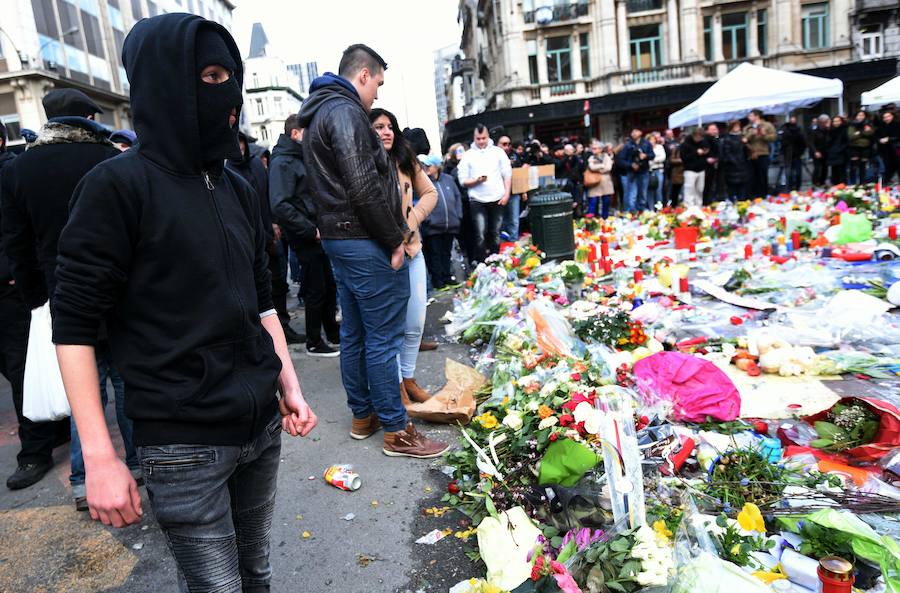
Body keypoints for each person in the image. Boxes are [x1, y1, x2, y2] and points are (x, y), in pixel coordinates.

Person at [52, 15, 316, 592]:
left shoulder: (237, 186)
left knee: (257, 575)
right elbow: (72, 326)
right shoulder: (115, 187)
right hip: (182, 443)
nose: (225, 93)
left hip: (260, 427)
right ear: (166, 82)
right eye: (210, 75)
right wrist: (99, 458)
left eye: (230, 76)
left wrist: (288, 383)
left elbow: (262, 301)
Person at [299, 43, 447, 458]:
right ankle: (397, 431)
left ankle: (365, 416)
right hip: (362, 239)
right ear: (363, 74)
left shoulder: (322, 112)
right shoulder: (345, 112)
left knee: (357, 333)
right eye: (377, 82)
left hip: (341, 238)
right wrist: (393, 239)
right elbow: (363, 187)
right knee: (381, 337)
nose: (377, 93)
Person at [0, 89, 132, 503]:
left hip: (61, 293)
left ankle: (83, 477)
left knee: (83, 392)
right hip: (118, 289)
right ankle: (144, 463)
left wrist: (35, 297)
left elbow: (16, 242)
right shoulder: (109, 159)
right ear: (89, 116)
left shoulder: (21, 169)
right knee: (128, 382)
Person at [0, 122, 71, 491]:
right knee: (15, 370)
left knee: (22, 369)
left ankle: (34, 452)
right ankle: (54, 425)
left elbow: (19, 233)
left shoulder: (10, 173)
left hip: (11, 293)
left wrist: (23, 281)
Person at [371, 108, 438, 405]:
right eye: (378, 127)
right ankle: (396, 385)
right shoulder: (361, 163)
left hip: (412, 251)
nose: (386, 131)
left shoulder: (405, 159)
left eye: (390, 127)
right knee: (390, 329)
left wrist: (411, 221)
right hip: (380, 257)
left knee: (414, 323)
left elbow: (431, 193)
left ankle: (408, 378)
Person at [268, 114, 340, 357]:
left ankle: (331, 331)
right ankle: (313, 341)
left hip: (315, 231)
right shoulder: (283, 161)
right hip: (306, 235)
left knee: (327, 285)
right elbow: (280, 204)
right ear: (295, 134)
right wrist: (310, 229)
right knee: (315, 288)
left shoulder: (298, 157)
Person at [227, 130, 304, 344]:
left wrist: (273, 223)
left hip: (268, 235)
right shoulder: (228, 171)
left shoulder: (256, 166)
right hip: (248, 240)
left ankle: (283, 326)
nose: (239, 147)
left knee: (277, 284)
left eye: (241, 142)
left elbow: (267, 197)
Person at [458, 124, 512, 261]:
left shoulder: (498, 152)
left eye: (484, 138)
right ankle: (482, 263)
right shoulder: (468, 155)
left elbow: (507, 174)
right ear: (474, 138)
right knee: (480, 234)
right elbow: (462, 180)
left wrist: (506, 194)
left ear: (488, 137)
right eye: (478, 138)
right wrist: (476, 181)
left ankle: (496, 262)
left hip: (497, 198)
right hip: (477, 200)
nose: (481, 141)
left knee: (495, 233)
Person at [421, 155, 462, 290]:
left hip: (450, 224)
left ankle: (447, 277)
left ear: (437, 166)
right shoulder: (423, 181)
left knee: (446, 253)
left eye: (429, 165)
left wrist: (458, 215)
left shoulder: (449, 179)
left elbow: (457, 197)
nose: (425, 168)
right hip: (433, 226)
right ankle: (438, 281)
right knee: (435, 254)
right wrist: (428, 219)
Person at [742, 109, 776, 198]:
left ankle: (763, 195)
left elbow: (774, 137)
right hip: (751, 155)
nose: (749, 117)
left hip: (763, 153)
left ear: (757, 116)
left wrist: (764, 135)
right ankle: (753, 196)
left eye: (751, 115)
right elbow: (743, 139)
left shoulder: (767, 125)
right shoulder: (747, 127)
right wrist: (751, 133)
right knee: (752, 176)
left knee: (763, 175)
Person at [619, 129, 653, 212]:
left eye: (636, 131)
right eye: (632, 132)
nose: (633, 133)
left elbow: (652, 155)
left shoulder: (646, 143)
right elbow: (621, 160)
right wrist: (631, 165)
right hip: (631, 172)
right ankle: (632, 211)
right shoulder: (627, 145)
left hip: (644, 171)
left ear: (640, 133)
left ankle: (641, 209)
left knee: (643, 192)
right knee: (632, 193)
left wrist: (646, 156)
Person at [497, 134, 523, 241]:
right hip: (499, 193)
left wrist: (523, 192)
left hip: (514, 192)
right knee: (501, 220)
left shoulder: (515, 156)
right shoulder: (493, 157)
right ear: (497, 145)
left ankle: (513, 242)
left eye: (509, 144)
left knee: (514, 219)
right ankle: (502, 243)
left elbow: (520, 174)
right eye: (504, 144)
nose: (507, 146)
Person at [680, 127, 710, 208]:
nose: (699, 139)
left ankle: (699, 206)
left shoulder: (703, 142)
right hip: (690, 170)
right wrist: (696, 152)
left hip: (701, 169)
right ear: (694, 135)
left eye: (701, 137)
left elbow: (707, 150)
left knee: (700, 189)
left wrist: (705, 152)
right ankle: (689, 207)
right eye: (698, 137)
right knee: (689, 189)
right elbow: (684, 158)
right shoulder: (685, 144)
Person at [720, 120, 749, 202]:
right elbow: (727, 152)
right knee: (732, 186)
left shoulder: (742, 137)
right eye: (735, 126)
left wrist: (745, 143)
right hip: (732, 166)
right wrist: (734, 162)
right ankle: (732, 201)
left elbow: (746, 152)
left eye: (738, 126)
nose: (737, 128)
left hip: (743, 165)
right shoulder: (727, 138)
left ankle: (741, 202)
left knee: (742, 186)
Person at [585, 140, 614, 218]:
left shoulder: (606, 156)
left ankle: (605, 218)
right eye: (593, 148)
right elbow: (591, 167)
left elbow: (608, 168)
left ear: (601, 149)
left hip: (605, 182)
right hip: (594, 181)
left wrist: (597, 167)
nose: (593, 150)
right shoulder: (591, 157)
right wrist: (602, 165)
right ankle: (591, 219)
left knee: (606, 201)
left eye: (595, 148)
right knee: (593, 201)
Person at [778, 115, 806, 191]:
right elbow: (782, 143)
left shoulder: (798, 130)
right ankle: (790, 188)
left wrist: (800, 152)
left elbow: (803, 143)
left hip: (796, 155)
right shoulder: (784, 129)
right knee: (789, 174)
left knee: (798, 174)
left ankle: (797, 188)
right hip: (787, 155)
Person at [847, 110, 875, 185]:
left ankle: (862, 183)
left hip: (865, 148)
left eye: (862, 115)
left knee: (863, 167)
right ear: (856, 116)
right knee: (853, 167)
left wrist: (858, 133)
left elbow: (871, 133)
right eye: (859, 115)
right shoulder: (852, 124)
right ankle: (852, 184)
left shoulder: (868, 124)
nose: (861, 117)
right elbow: (851, 136)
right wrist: (863, 132)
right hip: (854, 148)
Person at [876, 110, 899, 184]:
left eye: (888, 116)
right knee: (887, 167)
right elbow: (877, 137)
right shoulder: (881, 126)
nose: (887, 118)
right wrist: (879, 140)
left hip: (896, 149)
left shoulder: (897, 125)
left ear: (892, 116)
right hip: (885, 150)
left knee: (897, 166)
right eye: (885, 117)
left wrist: (889, 139)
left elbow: (898, 136)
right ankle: (887, 183)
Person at [808, 114, 831, 188]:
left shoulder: (828, 130)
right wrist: (815, 151)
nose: (826, 123)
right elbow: (811, 142)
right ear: (821, 122)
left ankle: (822, 182)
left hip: (825, 151)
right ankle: (815, 183)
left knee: (825, 168)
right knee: (817, 168)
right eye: (824, 122)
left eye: (827, 121)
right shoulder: (815, 130)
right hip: (817, 151)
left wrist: (828, 129)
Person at [702, 124, 722, 204]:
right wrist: (707, 159)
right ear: (707, 130)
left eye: (716, 129)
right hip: (706, 166)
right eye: (712, 129)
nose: (715, 131)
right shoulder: (704, 139)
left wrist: (717, 159)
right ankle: (706, 202)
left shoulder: (718, 139)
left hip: (717, 165)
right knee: (707, 185)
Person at [827, 115, 849, 186]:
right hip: (832, 154)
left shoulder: (844, 129)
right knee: (834, 172)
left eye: (838, 121)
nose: (836, 123)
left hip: (841, 154)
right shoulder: (830, 131)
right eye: (834, 121)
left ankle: (842, 186)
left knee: (842, 172)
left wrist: (840, 149)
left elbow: (846, 142)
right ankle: (835, 186)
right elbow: (827, 142)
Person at [648, 133, 666, 209]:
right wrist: (655, 159)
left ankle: (659, 208)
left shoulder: (660, 147)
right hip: (650, 171)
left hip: (659, 171)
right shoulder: (647, 148)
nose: (652, 141)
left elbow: (663, 157)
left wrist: (653, 159)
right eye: (650, 140)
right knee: (650, 191)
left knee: (659, 190)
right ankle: (651, 209)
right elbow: (647, 161)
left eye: (653, 140)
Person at [666, 133, 683, 207]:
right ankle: (674, 206)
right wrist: (681, 160)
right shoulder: (676, 149)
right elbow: (671, 160)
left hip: (686, 172)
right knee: (675, 191)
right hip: (677, 173)